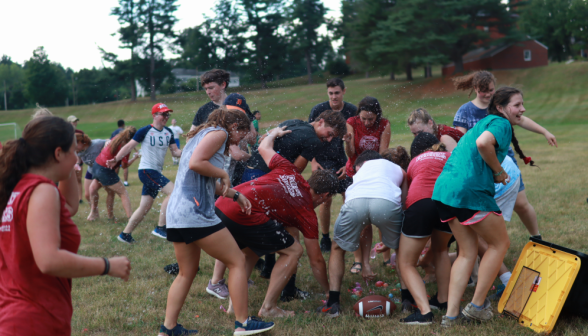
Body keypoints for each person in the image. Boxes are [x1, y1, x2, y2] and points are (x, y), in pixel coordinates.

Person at [0, 116, 131, 335]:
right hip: (34, 319)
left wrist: (66, 168)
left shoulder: (19, 187)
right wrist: (107, 265)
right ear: (58, 153)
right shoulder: (42, 191)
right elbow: (49, 260)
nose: (77, 159)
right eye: (73, 152)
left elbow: (69, 207)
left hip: (18, 314)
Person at [160, 108, 274, 336]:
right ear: (234, 127)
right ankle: (243, 323)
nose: (242, 139)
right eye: (242, 133)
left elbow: (199, 178)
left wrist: (233, 194)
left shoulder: (202, 135)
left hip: (177, 212)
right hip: (196, 212)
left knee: (186, 272)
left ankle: (168, 329)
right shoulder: (219, 133)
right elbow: (196, 163)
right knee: (237, 261)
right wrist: (223, 174)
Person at [432, 87, 534, 326]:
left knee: (467, 252)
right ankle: (477, 306)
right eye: (517, 105)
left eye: (522, 104)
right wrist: (498, 171)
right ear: (500, 108)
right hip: (469, 191)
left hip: (445, 190)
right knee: (500, 244)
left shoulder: (485, 121)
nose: (522, 109)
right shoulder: (500, 123)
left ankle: (451, 316)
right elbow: (483, 143)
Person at [215, 126, 337, 317]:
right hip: (243, 212)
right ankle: (269, 307)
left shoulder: (290, 170)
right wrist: (330, 291)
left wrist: (273, 133)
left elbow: (263, 148)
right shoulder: (306, 213)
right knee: (294, 251)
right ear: (325, 196)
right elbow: (317, 260)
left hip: (223, 203)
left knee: (251, 251)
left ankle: (233, 306)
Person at [243, 110, 346, 300]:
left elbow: (264, 139)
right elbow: (294, 170)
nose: (330, 140)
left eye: (334, 138)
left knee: (267, 232)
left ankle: (268, 271)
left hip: (249, 173)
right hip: (265, 178)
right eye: (330, 134)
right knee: (290, 238)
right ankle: (287, 291)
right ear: (321, 122)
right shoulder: (314, 141)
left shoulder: (294, 122)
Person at [452, 71, 556, 239]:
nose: (487, 94)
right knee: (484, 209)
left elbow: (521, 120)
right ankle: (487, 246)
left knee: (521, 204)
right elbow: (459, 139)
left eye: (491, 90)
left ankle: (536, 237)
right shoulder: (465, 111)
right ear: (475, 88)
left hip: (505, 162)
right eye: (482, 90)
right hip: (479, 166)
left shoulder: (500, 104)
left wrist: (544, 131)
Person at [317, 150, 405, 317]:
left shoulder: (360, 172)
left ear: (358, 166)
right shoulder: (397, 168)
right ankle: (408, 300)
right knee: (401, 249)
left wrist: (365, 263)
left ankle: (333, 303)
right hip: (386, 201)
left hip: (355, 202)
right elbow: (405, 201)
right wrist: (393, 238)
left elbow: (365, 220)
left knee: (337, 249)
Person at [395, 133, 453, 325]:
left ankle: (425, 312)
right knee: (441, 250)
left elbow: (409, 191)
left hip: (421, 203)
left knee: (406, 263)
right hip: (449, 204)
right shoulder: (450, 155)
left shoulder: (415, 161)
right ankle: (443, 300)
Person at [108, 103, 182, 243]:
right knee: (173, 192)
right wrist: (116, 159)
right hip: (146, 171)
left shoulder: (168, 132)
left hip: (154, 172)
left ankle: (125, 235)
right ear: (154, 115)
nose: (166, 117)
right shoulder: (145, 131)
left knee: (144, 207)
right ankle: (161, 227)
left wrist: (190, 153)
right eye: (163, 114)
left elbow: (175, 152)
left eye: (167, 114)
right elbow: (129, 146)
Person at [343, 96, 392, 274]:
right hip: (354, 175)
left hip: (375, 174)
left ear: (377, 116)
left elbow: (383, 154)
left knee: (380, 216)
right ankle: (359, 261)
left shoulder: (384, 124)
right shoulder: (352, 122)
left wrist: (372, 173)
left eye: (371, 119)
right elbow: (351, 154)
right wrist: (348, 143)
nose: (367, 122)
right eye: (364, 119)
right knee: (358, 219)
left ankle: (386, 258)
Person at [308, 78, 357, 252]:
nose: (334, 97)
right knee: (325, 199)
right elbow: (310, 137)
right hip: (322, 157)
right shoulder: (319, 110)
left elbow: (354, 140)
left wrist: (349, 163)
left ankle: (347, 233)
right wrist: (313, 161)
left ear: (344, 91)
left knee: (349, 196)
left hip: (342, 158)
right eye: (330, 93)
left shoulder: (351, 110)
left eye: (337, 93)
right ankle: (325, 238)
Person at [88, 127, 138, 222]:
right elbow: (124, 166)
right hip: (105, 170)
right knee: (123, 193)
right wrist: (135, 158)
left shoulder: (117, 137)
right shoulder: (126, 146)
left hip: (97, 165)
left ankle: (97, 214)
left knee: (96, 189)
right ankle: (131, 219)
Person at [75, 133, 110, 218]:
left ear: (80, 142)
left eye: (75, 144)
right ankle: (95, 212)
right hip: (91, 170)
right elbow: (78, 160)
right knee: (87, 195)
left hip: (101, 170)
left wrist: (106, 145)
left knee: (109, 192)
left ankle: (110, 214)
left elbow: (108, 141)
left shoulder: (96, 143)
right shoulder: (77, 150)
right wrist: (76, 164)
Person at [67, 115, 84, 203]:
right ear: (69, 122)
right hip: (69, 159)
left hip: (79, 158)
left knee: (78, 178)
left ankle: (80, 198)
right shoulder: (66, 133)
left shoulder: (80, 132)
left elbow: (84, 145)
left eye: (76, 121)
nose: (75, 123)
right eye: (73, 121)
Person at [111, 120, 131, 186]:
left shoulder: (114, 132)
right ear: (123, 124)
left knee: (116, 166)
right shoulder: (126, 131)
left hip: (116, 150)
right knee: (125, 165)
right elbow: (130, 142)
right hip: (124, 150)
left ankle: (114, 180)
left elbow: (111, 142)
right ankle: (125, 181)